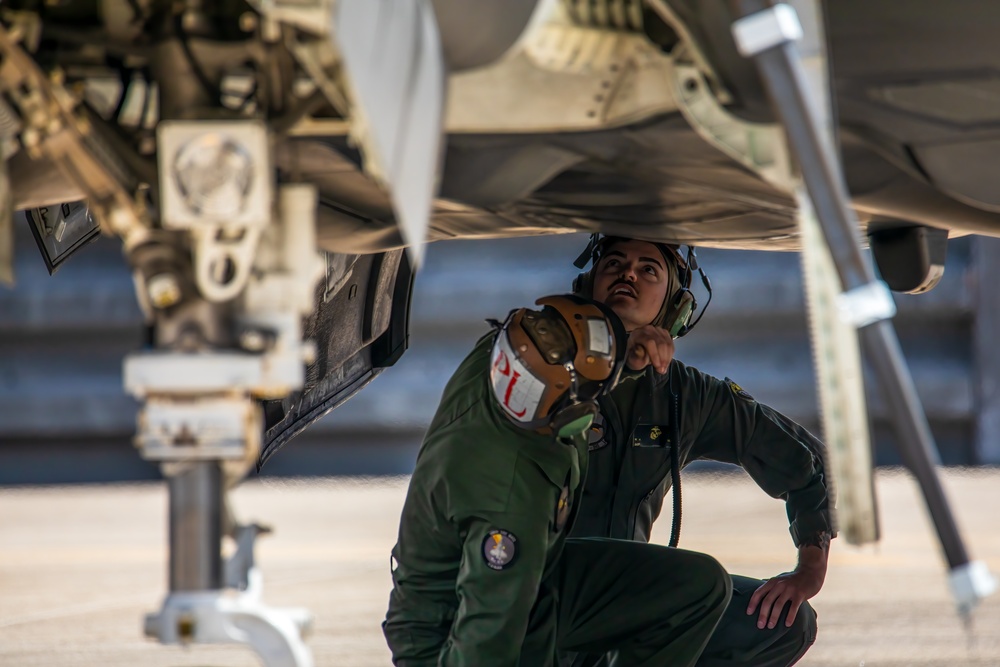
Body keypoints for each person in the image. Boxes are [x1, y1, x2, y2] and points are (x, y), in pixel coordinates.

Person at [383, 292, 735, 666]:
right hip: (455, 631)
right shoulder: (511, 502)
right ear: (577, 415)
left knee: (698, 586)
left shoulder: (502, 354)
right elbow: (486, 643)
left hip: (519, 580)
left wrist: (625, 354)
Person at [562, 235, 836, 667]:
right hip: (537, 592)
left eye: (648, 269)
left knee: (786, 621)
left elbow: (809, 460)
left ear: (675, 307)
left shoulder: (688, 397)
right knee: (697, 582)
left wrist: (809, 570)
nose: (628, 274)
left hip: (628, 603)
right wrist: (618, 367)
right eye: (613, 264)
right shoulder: (543, 370)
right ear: (586, 288)